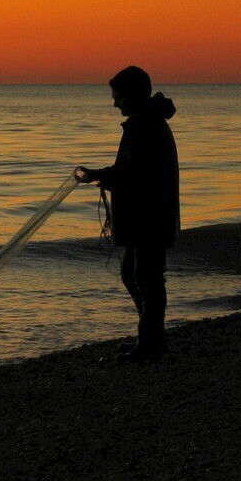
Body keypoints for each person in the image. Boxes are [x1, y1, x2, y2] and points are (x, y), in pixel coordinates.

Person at [76, 66, 180, 362]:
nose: (114, 103)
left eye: (118, 97)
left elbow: (132, 174)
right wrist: (102, 176)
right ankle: (149, 337)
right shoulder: (146, 122)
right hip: (148, 213)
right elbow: (131, 172)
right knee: (135, 274)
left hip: (150, 214)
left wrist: (98, 175)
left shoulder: (145, 126)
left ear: (132, 95)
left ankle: (151, 343)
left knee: (146, 277)